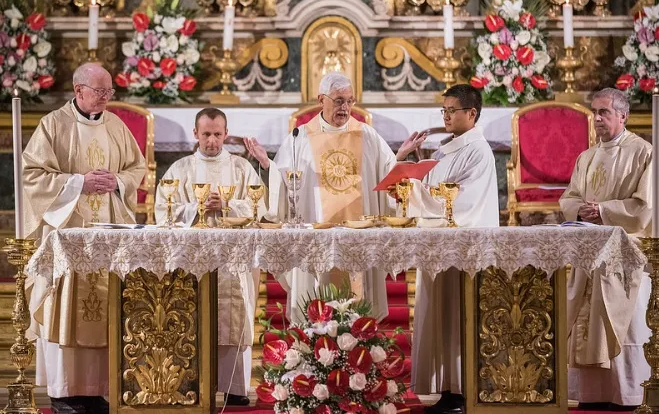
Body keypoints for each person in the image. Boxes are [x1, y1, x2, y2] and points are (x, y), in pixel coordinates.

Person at [244, 71, 424, 323]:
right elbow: (284, 185)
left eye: (350, 101)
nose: (346, 107)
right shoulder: (300, 137)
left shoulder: (366, 134)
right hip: (316, 237)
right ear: (321, 99)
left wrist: (400, 157)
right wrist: (267, 164)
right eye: (339, 100)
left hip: (359, 237)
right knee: (317, 313)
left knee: (359, 312)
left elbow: (386, 177)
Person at [24, 63, 146, 414]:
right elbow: (32, 174)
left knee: (106, 305)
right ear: (79, 91)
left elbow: (136, 167)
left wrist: (118, 183)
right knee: (66, 303)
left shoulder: (116, 126)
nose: (107, 98)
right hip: (68, 234)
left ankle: (103, 387)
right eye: (100, 91)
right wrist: (79, 183)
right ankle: (66, 389)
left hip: (108, 233)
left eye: (110, 91)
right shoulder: (54, 125)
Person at [155, 108, 265, 405]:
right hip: (193, 261)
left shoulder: (242, 168)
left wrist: (228, 205)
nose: (213, 141)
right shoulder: (180, 170)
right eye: (206, 134)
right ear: (195, 134)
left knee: (234, 316)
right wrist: (198, 207)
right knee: (192, 319)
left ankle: (235, 388)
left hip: (235, 260)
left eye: (218, 134)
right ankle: (191, 383)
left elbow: (261, 207)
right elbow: (162, 211)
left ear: (226, 134)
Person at [403, 84, 499, 414]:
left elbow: (460, 202)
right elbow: (436, 190)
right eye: (443, 110)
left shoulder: (478, 151)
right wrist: (412, 180)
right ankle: (446, 387)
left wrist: (414, 190)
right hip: (440, 247)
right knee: (440, 316)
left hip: (463, 250)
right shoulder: (447, 149)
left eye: (451, 111)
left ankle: (461, 390)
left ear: (471, 113)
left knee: (458, 316)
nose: (445, 116)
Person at [560, 87, 652, 411]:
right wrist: (579, 211)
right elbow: (569, 197)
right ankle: (591, 393)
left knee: (623, 323)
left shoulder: (644, 153)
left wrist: (603, 211)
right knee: (586, 323)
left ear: (623, 115)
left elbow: (644, 207)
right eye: (594, 113)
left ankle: (627, 393)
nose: (597, 118)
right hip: (588, 252)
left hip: (624, 255)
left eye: (604, 112)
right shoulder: (586, 157)